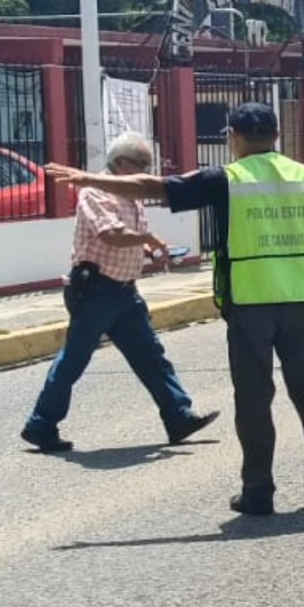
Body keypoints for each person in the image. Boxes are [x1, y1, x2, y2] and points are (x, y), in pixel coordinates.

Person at [50, 102, 304, 517]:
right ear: (276, 136)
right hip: (300, 303)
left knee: (254, 401)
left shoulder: (226, 179)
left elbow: (154, 187)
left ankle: (258, 492)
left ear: (233, 137)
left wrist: (89, 178)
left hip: (249, 305)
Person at [20, 131, 213, 455]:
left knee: (151, 356)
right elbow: (111, 234)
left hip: (124, 291)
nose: (146, 172)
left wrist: (150, 250)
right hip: (97, 291)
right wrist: (148, 239)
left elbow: (129, 239)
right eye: (141, 165)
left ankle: (178, 416)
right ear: (121, 163)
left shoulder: (130, 195)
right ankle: (41, 424)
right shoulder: (96, 193)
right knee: (73, 361)